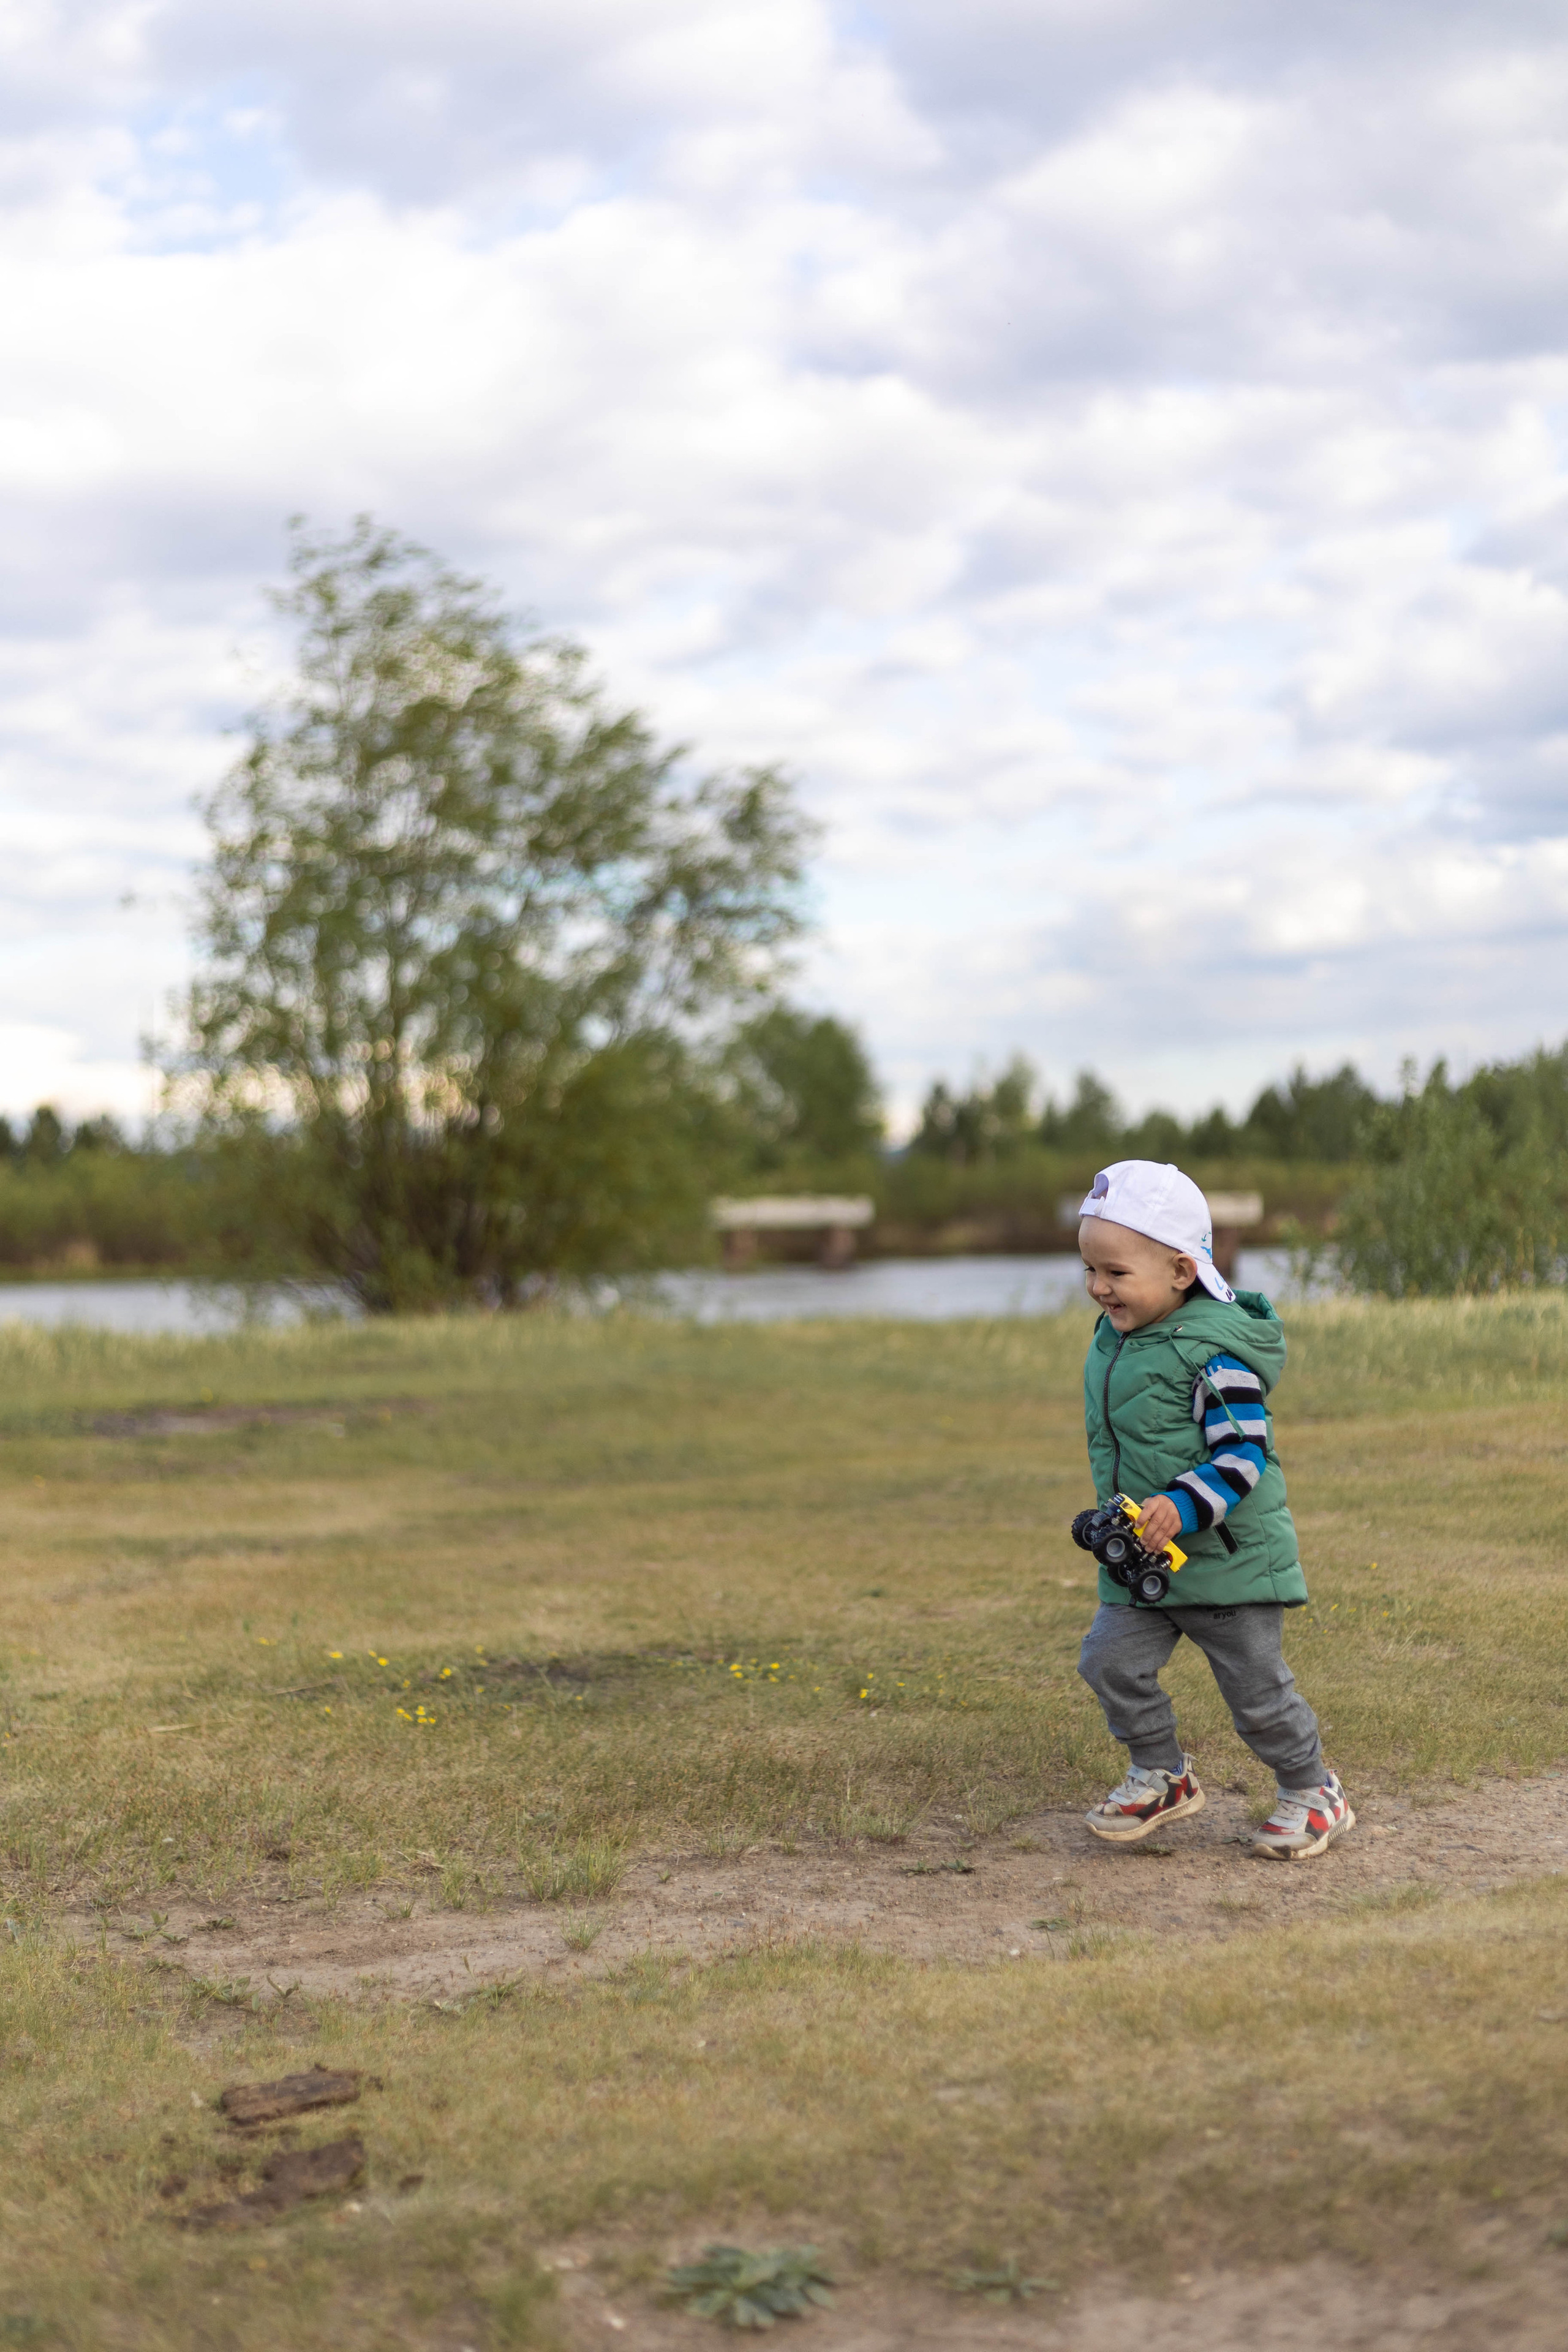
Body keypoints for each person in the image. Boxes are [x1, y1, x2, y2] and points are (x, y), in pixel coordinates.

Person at [1071, 1159, 1352, 1861]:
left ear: (1179, 1270)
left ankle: (1312, 1791)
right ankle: (1162, 1774)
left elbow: (1242, 1458)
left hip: (1226, 1560)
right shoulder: (1121, 1341)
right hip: (1148, 1560)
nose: (1099, 1288)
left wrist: (1181, 1503)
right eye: (1089, 1271)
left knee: (1257, 1696)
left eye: (1115, 1273)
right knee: (1108, 1661)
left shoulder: (1215, 1355)